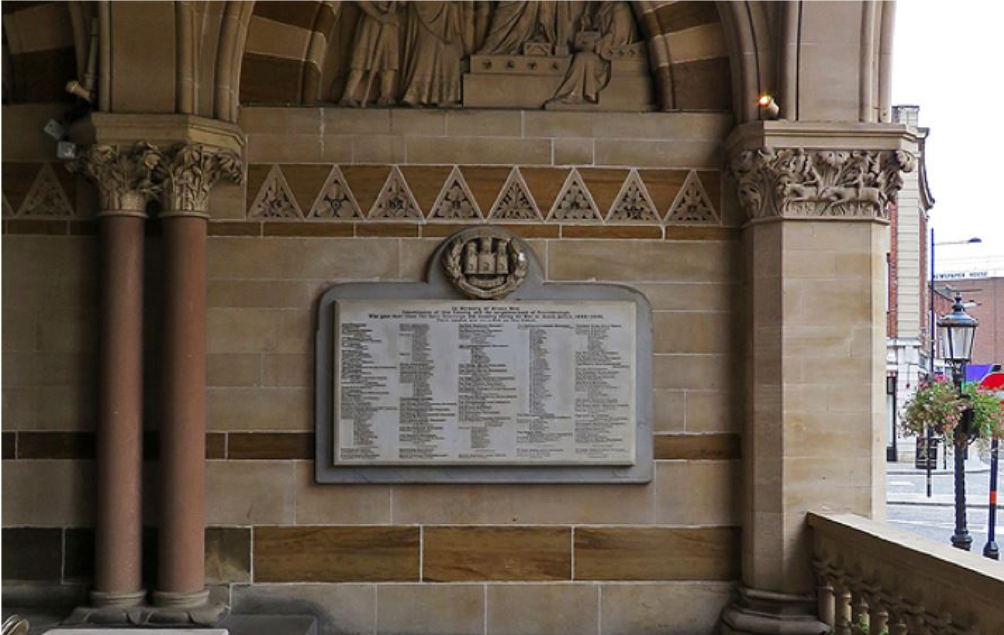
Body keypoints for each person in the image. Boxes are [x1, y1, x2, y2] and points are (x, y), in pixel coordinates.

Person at [546, 0, 636, 105]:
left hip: (610, 58)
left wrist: (596, 45)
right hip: (599, 53)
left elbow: (618, 36)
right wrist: (587, 27)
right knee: (578, 56)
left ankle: (574, 94)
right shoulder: (600, 9)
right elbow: (597, 32)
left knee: (582, 58)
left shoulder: (620, 7)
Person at [400, 0, 467, 107]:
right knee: (425, 52)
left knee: (448, 53)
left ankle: (445, 95)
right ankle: (417, 95)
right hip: (424, 9)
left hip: (447, 13)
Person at [340, 0, 406, 107]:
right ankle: (347, 95)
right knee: (361, 60)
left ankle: (386, 95)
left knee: (389, 61)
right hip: (372, 22)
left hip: (390, 23)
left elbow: (403, 4)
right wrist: (379, 16)